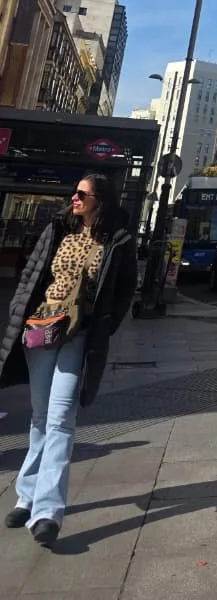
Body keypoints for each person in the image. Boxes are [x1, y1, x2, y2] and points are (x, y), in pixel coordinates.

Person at [0, 174, 137, 546]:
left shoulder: (118, 240)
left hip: (79, 334)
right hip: (42, 327)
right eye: (74, 194)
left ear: (100, 201)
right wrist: (18, 308)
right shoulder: (58, 228)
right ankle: (26, 496)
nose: (73, 199)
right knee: (41, 416)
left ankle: (47, 511)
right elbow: (31, 273)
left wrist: (106, 326)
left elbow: (126, 288)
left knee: (61, 418)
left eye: (82, 194)